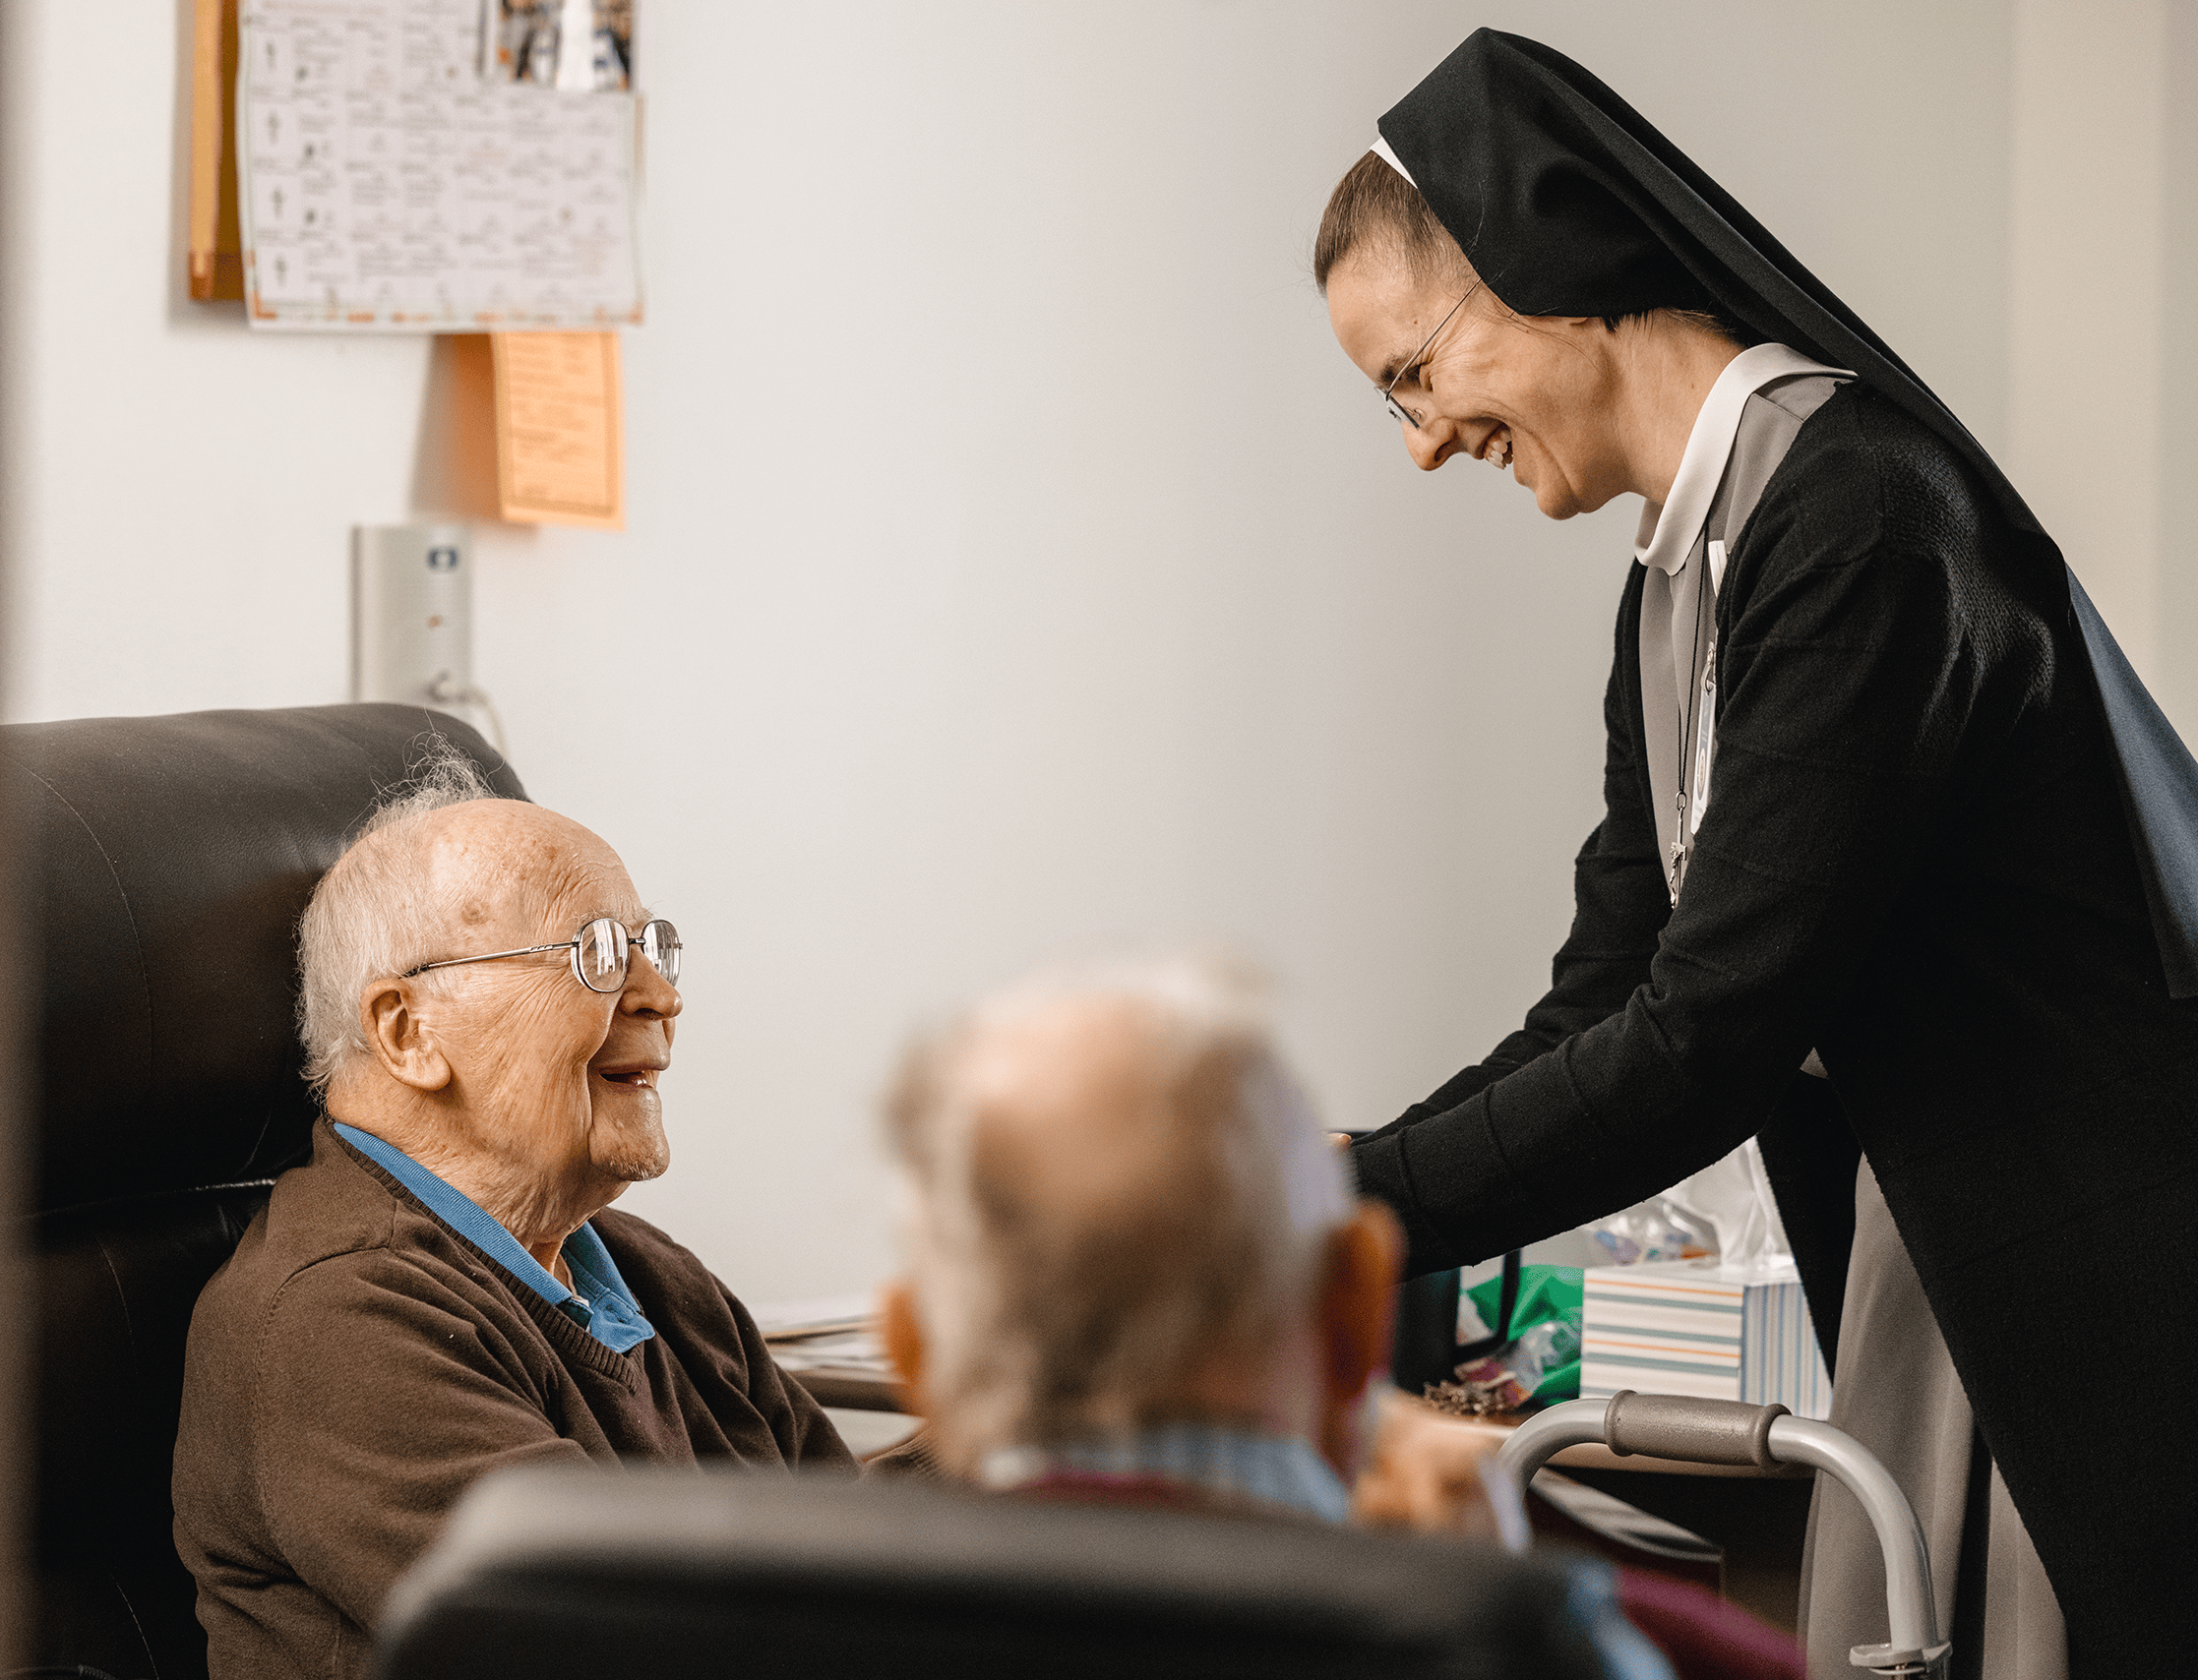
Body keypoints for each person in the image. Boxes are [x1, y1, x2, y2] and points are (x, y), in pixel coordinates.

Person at [1316, 30, 2198, 1679]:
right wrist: (1354, 1162)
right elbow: (1605, 997)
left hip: (2100, 1290)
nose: (1423, 440)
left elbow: (1704, 1040)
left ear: (1547, 263)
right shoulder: (1678, 582)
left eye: (1412, 374)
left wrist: (1347, 1203)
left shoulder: (1862, 523)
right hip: (1942, 1265)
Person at [877, 955, 1801, 1680]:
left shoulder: (788, 1622)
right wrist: (1489, 1585)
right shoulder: (1606, 1646)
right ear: (1358, 1307)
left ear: (913, 1349)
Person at [172, 756, 851, 1680]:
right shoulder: (339, 1323)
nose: (661, 995)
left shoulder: (647, 1272)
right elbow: (634, 1647)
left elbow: (866, 1560)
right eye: (598, 955)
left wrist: (1063, 1437)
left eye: (653, 947)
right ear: (409, 1031)